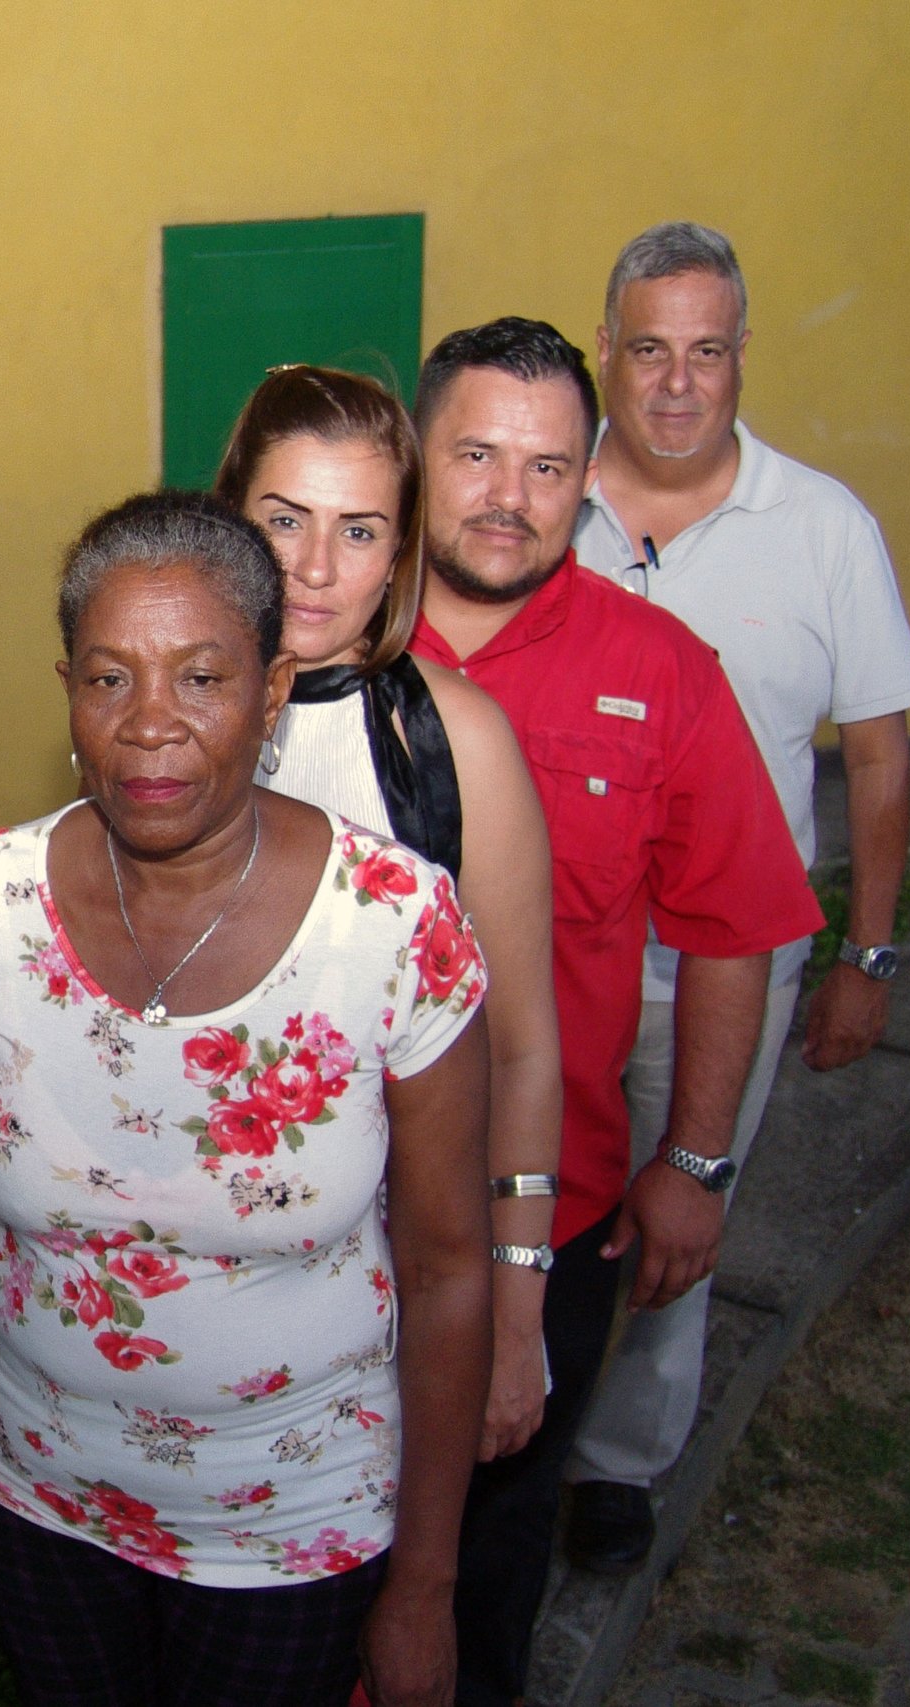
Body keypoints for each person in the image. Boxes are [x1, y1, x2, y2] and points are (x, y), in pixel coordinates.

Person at [0, 490, 495, 1707]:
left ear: (274, 689)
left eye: (201, 677)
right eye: (109, 679)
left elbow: (448, 1271)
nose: (150, 727)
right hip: (34, 1496)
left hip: (295, 1526)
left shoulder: (394, 925)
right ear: (66, 688)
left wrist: (427, 1585)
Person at [402, 317, 823, 1707]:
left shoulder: (661, 670)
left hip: (550, 1212)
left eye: (542, 464)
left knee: (488, 1552)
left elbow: (734, 927)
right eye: (472, 452)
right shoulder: (310, 643)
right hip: (319, 1218)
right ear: (414, 456)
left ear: (586, 477)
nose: (503, 496)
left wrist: (694, 1161)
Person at [560, 223, 910, 1571]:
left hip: (727, 967)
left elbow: (875, 753)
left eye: (702, 351)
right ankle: (497, 1428)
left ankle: (614, 1462)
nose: (672, 383)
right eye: (646, 348)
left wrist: (867, 954)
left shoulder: (821, 526)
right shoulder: (534, 504)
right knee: (510, 1206)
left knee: (674, 1217)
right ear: (602, 349)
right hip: (543, 956)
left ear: (736, 359)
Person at [213, 365, 563, 1467]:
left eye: (359, 531)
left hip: (400, 1291)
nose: (315, 569)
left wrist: (514, 1317)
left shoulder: (457, 744)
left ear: (402, 549)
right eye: (283, 521)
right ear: (228, 519)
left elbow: (523, 1051)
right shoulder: (162, 721)